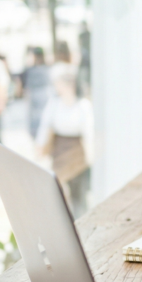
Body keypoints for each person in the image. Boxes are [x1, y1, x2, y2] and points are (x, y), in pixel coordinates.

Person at [36, 65, 94, 217]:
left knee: (78, 193)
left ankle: (80, 222)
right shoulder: (54, 104)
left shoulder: (83, 105)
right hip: (59, 150)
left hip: (77, 152)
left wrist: (91, 155)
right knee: (58, 192)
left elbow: (89, 132)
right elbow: (45, 126)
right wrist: (40, 147)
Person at [21, 46, 52, 140]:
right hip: (37, 94)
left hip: (41, 94)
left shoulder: (46, 68)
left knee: (40, 117)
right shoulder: (33, 69)